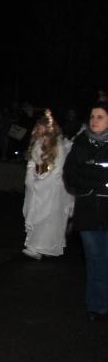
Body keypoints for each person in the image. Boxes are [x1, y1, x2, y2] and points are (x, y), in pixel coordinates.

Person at [63, 102, 108, 321]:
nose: (94, 120)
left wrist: (91, 173)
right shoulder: (80, 143)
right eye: (92, 116)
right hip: (88, 211)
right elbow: (70, 176)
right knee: (95, 260)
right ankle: (97, 305)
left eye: (100, 116)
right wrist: (97, 180)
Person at [23, 110, 73, 259]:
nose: (38, 130)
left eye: (41, 127)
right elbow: (32, 163)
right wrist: (31, 178)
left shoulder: (58, 145)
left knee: (48, 216)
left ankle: (41, 247)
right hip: (37, 183)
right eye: (37, 127)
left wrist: (44, 181)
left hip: (52, 186)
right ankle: (35, 245)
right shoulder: (37, 143)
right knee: (35, 211)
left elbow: (57, 167)